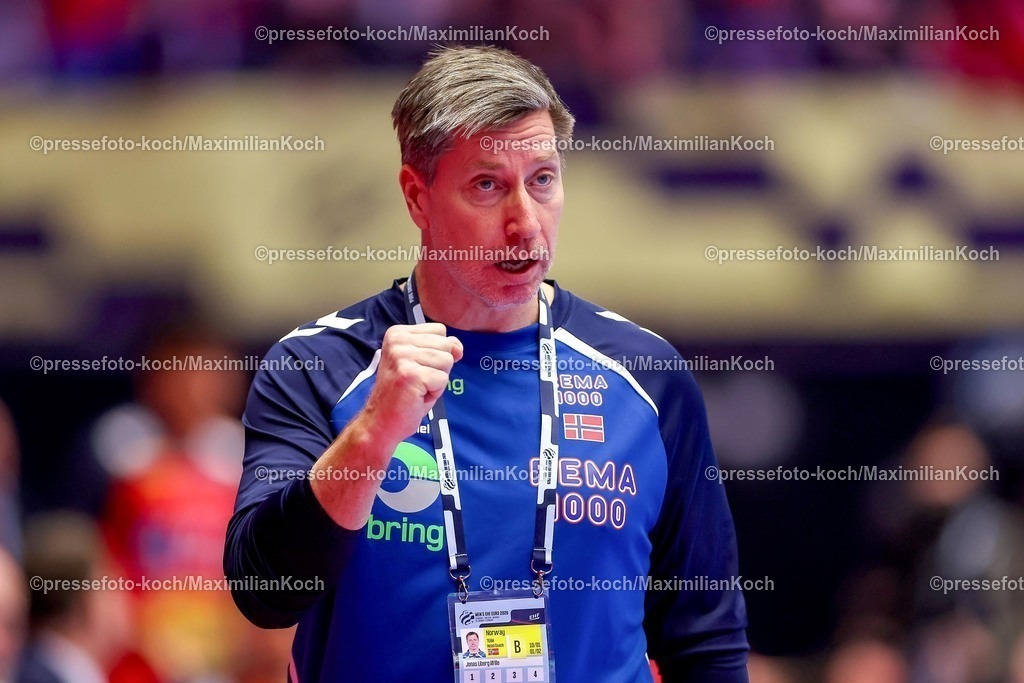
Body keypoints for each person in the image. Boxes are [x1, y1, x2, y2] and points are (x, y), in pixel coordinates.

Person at [225, 45, 748, 682]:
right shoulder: (315, 367)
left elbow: (704, 637)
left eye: (543, 180)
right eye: (487, 186)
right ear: (417, 198)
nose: (524, 222)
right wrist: (372, 434)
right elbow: (263, 592)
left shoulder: (645, 375)